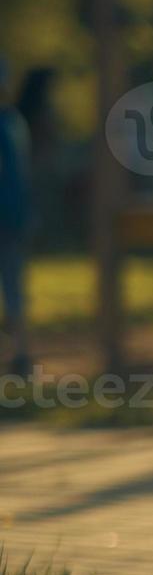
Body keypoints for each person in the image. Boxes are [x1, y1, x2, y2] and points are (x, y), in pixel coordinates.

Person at [0, 59, 31, 378]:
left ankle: (19, 355)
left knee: (12, 287)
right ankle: (20, 354)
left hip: (5, 216)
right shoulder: (15, 121)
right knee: (14, 287)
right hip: (17, 214)